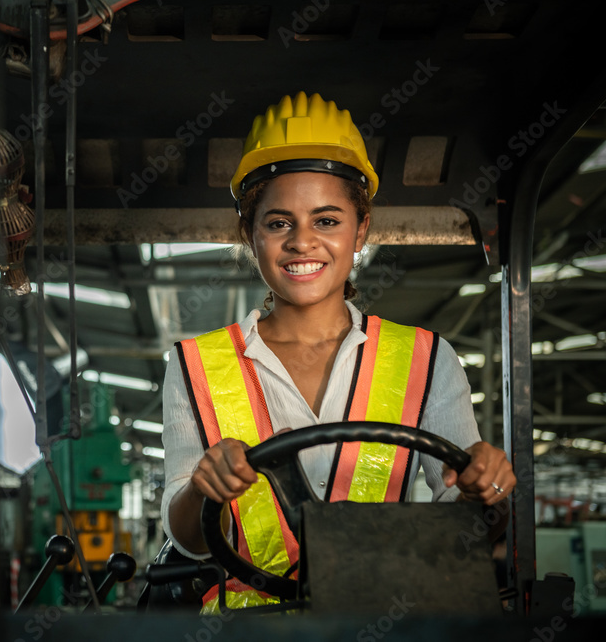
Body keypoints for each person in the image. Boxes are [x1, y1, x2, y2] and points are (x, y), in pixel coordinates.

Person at [160, 92, 517, 613]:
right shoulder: (194, 365)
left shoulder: (426, 357)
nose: (303, 242)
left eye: (326, 220)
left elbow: (470, 533)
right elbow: (190, 537)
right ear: (250, 233)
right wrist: (203, 489)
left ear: (361, 229)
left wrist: (484, 492)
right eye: (278, 223)